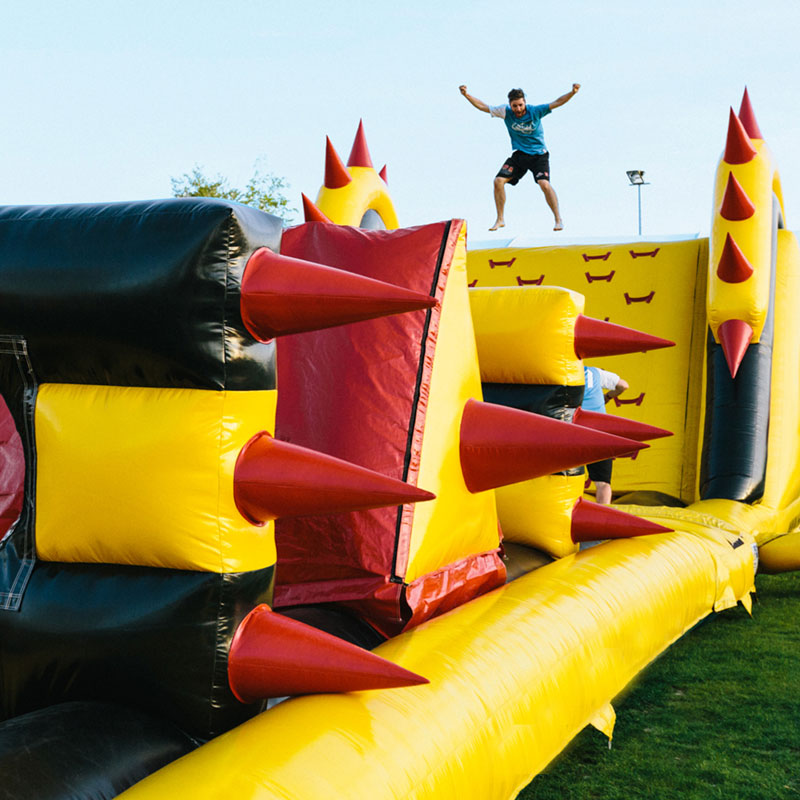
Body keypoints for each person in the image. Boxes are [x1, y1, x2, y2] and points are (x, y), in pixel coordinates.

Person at [459, 83, 580, 231]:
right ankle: (500, 219)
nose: (518, 109)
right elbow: (483, 107)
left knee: (544, 184)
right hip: (520, 155)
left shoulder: (535, 111)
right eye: (515, 106)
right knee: (498, 181)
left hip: (539, 155)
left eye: (521, 105)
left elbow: (557, 102)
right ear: (510, 105)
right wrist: (466, 95)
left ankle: (558, 219)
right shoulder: (505, 111)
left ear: (525, 103)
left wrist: (572, 92)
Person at [582, 365, 628, 504]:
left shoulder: (564, 371)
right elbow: (623, 386)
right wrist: (607, 396)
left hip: (575, 429)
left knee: (566, 477)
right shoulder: (594, 372)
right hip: (600, 431)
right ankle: (603, 513)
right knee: (602, 483)